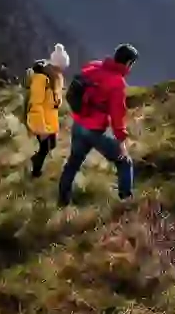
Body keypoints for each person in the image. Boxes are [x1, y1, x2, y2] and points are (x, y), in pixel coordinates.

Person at [58, 43, 139, 206]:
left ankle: (62, 200)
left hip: (78, 123)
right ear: (128, 63)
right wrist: (121, 141)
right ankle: (126, 203)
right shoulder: (118, 83)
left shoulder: (92, 66)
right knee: (124, 162)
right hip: (94, 130)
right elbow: (117, 115)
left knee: (73, 162)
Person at [25, 43, 70, 178]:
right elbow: (36, 104)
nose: (62, 70)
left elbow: (54, 99)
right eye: (61, 67)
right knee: (45, 148)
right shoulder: (41, 79)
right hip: (40, 119)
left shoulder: (56, 78)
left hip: (49, 119)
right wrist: (41, 128)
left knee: (52, 145)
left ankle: (35, 161)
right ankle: (35, 173)